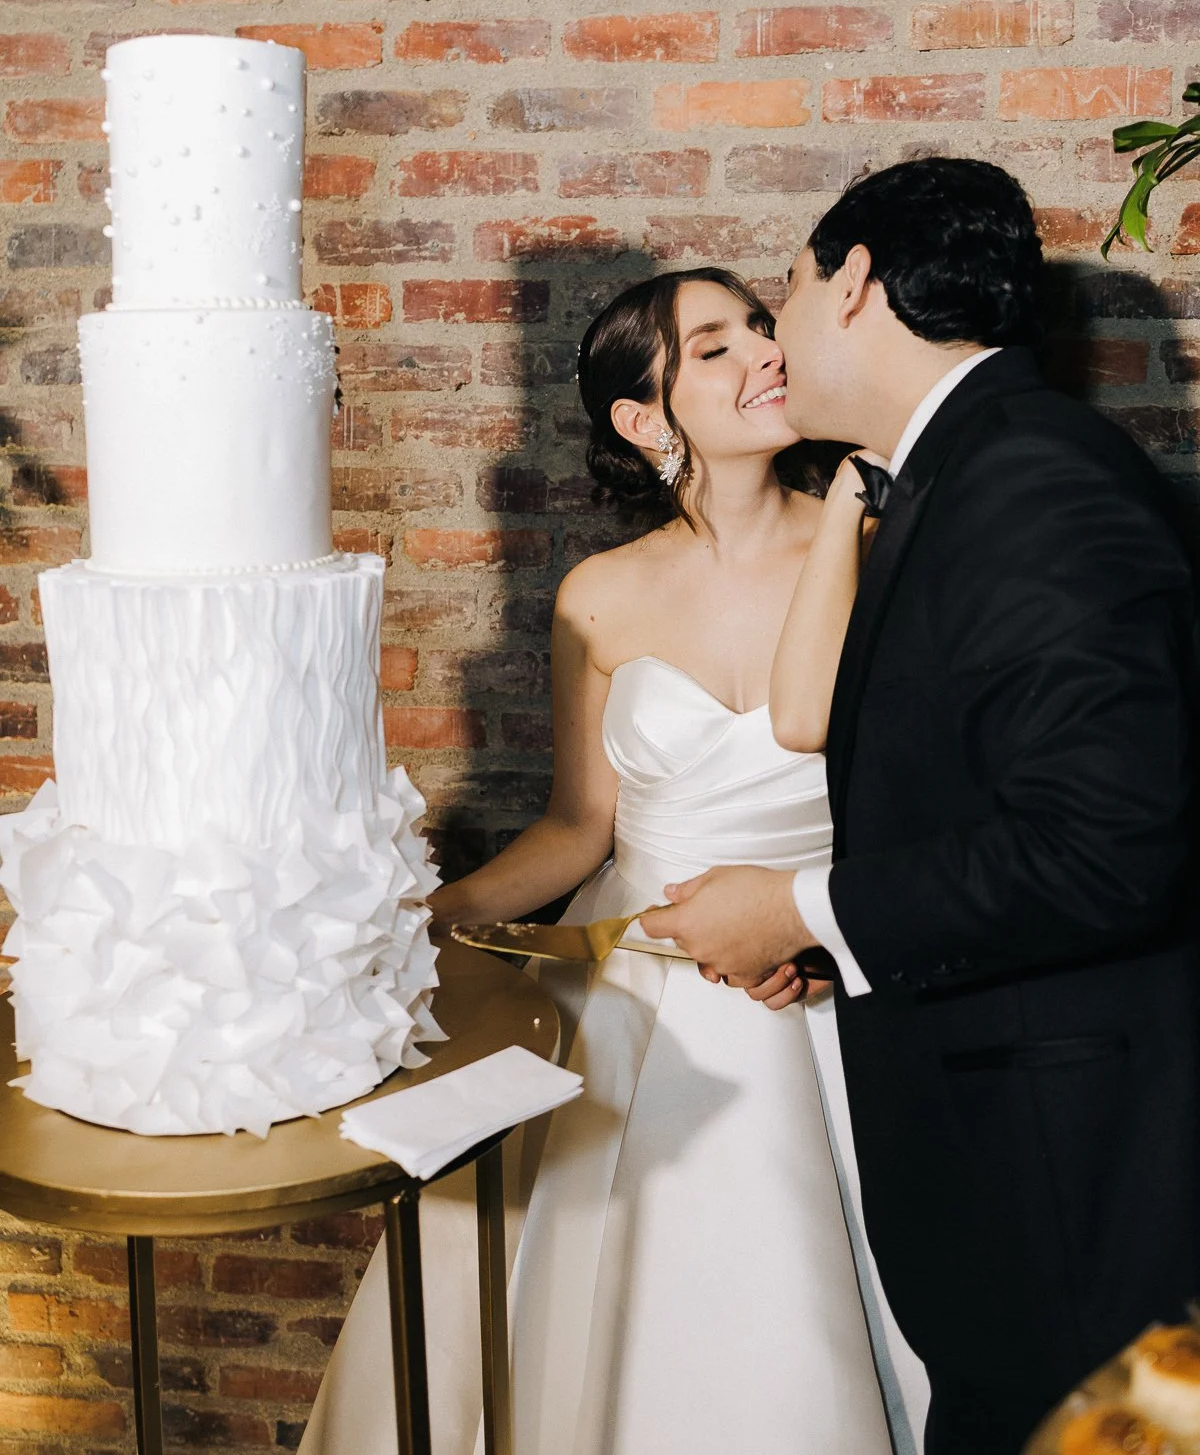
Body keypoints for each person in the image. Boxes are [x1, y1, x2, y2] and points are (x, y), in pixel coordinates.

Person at [300, 266, 928, 1455]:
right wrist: (412, 919)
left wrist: (827, 935)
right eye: (714, 347)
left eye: (759, 324)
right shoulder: (601, 595)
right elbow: (580, 831)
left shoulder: (880, 541)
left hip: (830, 968)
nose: (765, 352)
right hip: (632, 987)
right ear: (645, 422)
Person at [644, 158, 1200, 1454]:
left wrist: (795, 901)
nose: (777, 336)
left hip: (1077, 1174)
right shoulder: (963, 471)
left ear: (856, 282)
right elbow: (983, 798)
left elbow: (1108, 849)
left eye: (784, 293)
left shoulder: (1035, 486)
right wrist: (836, 945)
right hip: (1021, 1128)